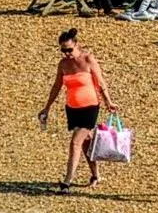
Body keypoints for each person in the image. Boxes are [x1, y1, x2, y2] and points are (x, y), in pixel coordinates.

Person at [40, 28, 114, 189]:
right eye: (63, 50)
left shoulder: (88, 59)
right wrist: (47, 107)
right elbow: (56, 86)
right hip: (73, 108)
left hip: (90, 107)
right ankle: (96, 175)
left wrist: (108, 102)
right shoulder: (63, 64)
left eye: (69, 49)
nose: (67, 53)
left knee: (75, 142)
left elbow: (100, 82)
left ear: (76, 45)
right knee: (86, 143)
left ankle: (67, 181)